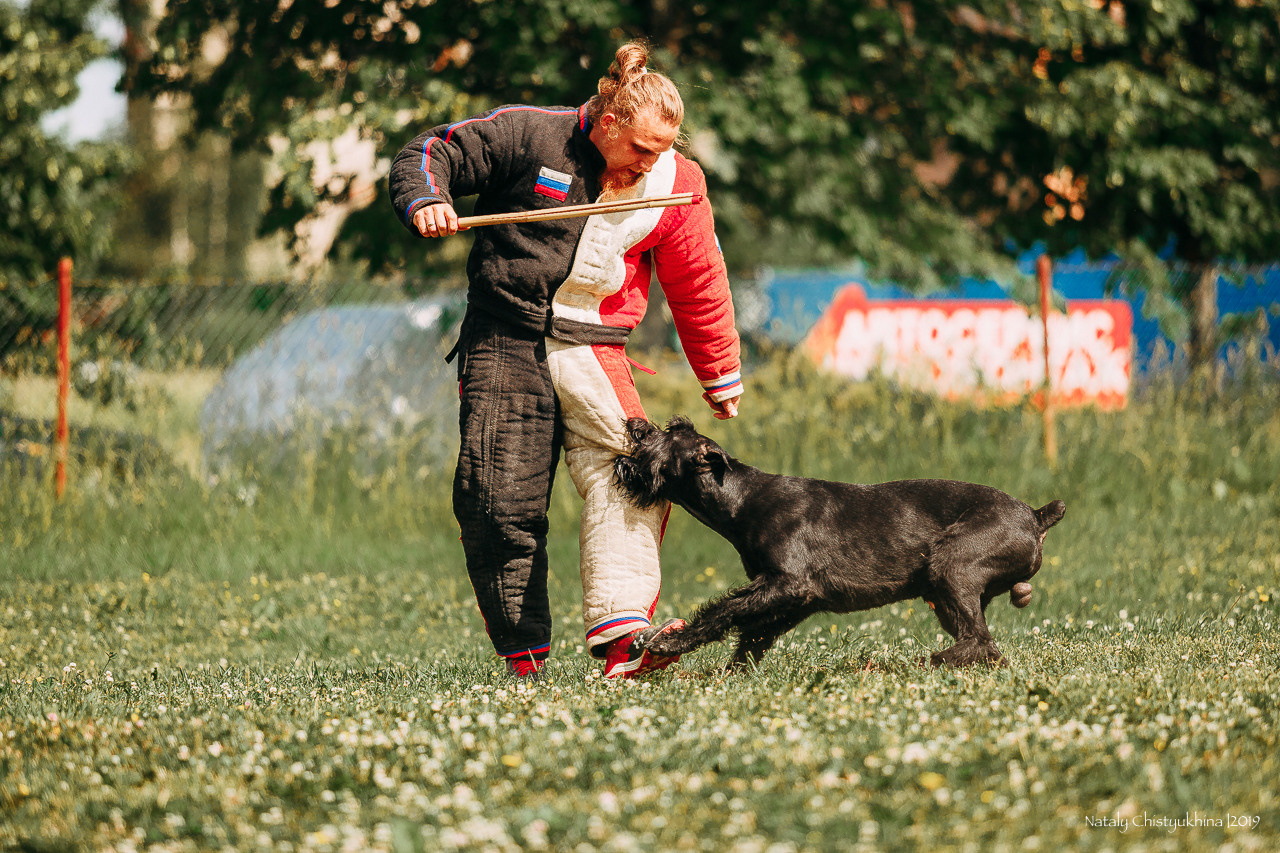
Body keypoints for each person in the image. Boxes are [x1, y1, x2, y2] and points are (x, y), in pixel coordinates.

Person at [388, 41, 742, 680]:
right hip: (506, 341)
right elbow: (427, 152)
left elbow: (700, 281)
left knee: (638, 476)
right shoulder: (529, 134)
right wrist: (427, 200)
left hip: (597, 351)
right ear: (608, 121)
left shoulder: (677, 185)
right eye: (640, 149)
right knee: (499, 501)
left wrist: (719, 373)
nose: (652, 162)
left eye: (664, 150)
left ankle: (623, 651)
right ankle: (525, 662)